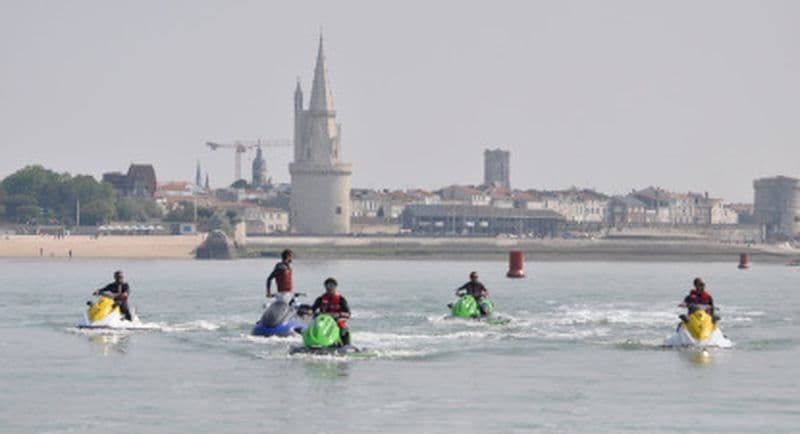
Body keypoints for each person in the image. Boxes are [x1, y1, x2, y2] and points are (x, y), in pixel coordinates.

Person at [311, 277, 351, 345]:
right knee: (311, 326)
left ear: (335, 287)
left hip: (336, 321)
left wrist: (339, 314)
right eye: (327, 286)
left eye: (332, 286)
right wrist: (306, 311)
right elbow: (312, 310)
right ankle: (312, 341)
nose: (329, 288)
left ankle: (346, 345)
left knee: (343, 328)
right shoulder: (320, 299)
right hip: (322, 320)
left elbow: (348, 313)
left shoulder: (341, 299)